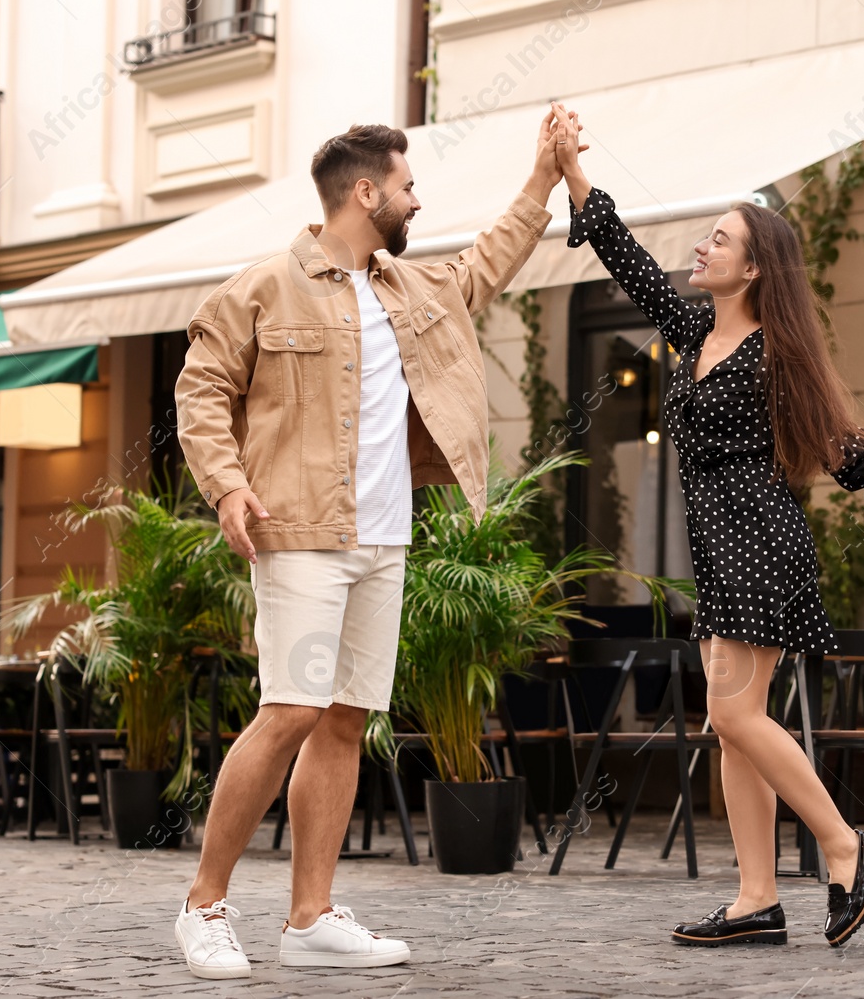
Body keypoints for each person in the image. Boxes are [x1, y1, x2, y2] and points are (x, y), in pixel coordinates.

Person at [548, 101, 864, 949]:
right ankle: (756, 896)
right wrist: (572, 169)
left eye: (718, 239)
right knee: (729, 720)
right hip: (718, 550)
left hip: (761, 541)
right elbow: (628, 260)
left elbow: (838, 437)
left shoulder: (775, 355)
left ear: (753, 270)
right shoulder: (693, 337)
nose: (701, 247)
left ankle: (844, 841)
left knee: (736, 715)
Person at [171, 110, 578, 977]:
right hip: (301, 535)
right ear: (366, 192)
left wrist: (543, 176)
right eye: (406, 186)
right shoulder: (262, 288)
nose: (415, 199)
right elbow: (201, 391)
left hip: (383, 538)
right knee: (289, 709)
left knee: (347, 719)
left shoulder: (410, 289)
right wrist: (228, 484)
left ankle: (309, 916)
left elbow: (486, 265)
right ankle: (204, 904)